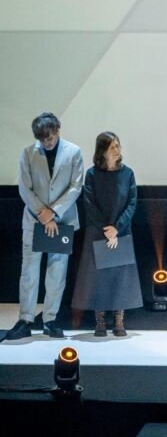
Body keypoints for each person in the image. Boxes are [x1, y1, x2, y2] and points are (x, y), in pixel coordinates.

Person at [5, 112, 84, 340]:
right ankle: (25, 319)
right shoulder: (28, 153)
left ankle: (50, 319)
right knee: (29, 272)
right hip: (35, 219)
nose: (46, 142)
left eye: (49, 137)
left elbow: (75, 186)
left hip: (62, 220)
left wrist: (54, 212)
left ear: (58, 129)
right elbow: (24, 187)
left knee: (57, 271)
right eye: (42, 139)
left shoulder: (74, 151)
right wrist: (44, 215)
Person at [72, 131, 143, 336]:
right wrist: (106, 228)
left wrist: (116, 228)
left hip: (121, 231)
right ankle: (100, 321)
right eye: (113, 147)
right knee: (98, 277)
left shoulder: (127, 173)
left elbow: (132, 202)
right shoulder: (92, 174)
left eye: (118, 146)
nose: (117, 150)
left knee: (120, 276)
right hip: (98, 231)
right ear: (102, 151)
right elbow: (89, 204)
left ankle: (119, 321)